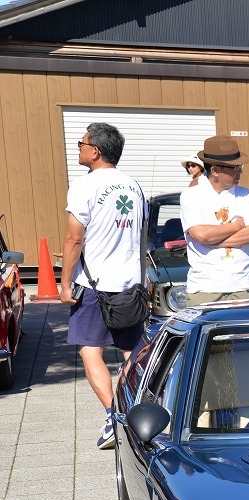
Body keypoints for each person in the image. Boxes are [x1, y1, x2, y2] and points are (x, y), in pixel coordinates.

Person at [59, 122, 148, 450]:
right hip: (130, 283)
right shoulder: (134, 187)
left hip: (94, 284)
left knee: (89, 349)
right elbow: (140, 236)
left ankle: (114, 416)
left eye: (81, 143)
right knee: (130, 352)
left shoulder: (85, 186)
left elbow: (74, 237)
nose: (79, 148)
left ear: (95, 151)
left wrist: (65, 282)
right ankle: (137, 411)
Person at [180, 135, 249, 305]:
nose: (240, 171)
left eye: (240, 166)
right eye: (234, 167)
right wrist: (237, 225)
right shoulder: (191, 195)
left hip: (243, 287)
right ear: (215, 170)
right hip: (204, 289)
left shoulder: (245, 194)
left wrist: (214, 241)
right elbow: (201, 235)